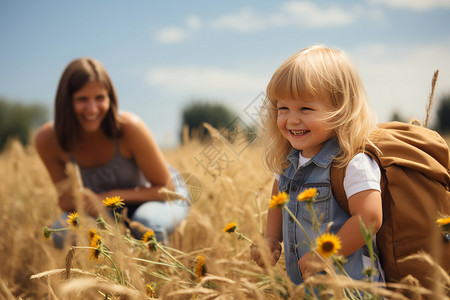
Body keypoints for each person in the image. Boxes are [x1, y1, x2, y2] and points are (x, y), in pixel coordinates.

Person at [251, 45, 384, 284]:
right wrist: (270, 239)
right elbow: (277, 204)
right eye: (283, 108)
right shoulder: (285, 166)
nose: (292, 119)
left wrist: (326, 254)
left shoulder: (352, 163)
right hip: (307, 285)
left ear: (341, 109)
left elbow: (370, 218)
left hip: (352, 287)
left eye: (305, 108)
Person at [35, 57, 190, 246]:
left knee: (147, 224)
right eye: (82, 99)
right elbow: (65, 202)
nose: (92, 109)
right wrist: (88, 202)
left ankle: (162, 273)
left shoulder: (130, 128)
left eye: (100, 98)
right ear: (65, 102)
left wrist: (108, 197)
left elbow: (167, 189)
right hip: (105, 208)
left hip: (160, 197)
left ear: (110, 98)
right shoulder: (48, 140)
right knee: (62, 232)